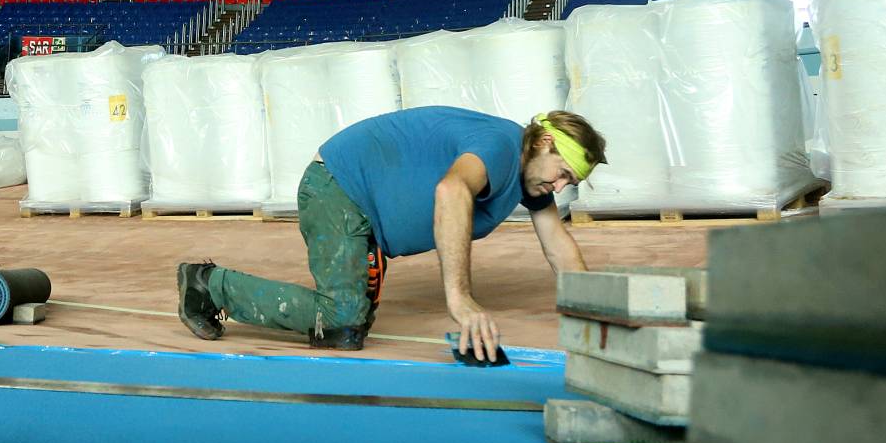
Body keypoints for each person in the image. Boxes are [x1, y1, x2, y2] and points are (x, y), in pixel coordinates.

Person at [176, 106, 606, 362]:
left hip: (367, 216)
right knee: (342, 318)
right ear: (545, 142)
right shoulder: (500, 147)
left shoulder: (531, 178)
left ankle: (364, 259)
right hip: (337, 188)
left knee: (345, 334)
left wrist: (598, 313)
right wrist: (460, 300)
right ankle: (207, 284)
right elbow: (451, 191)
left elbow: (559, 246)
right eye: (564, 174)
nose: (561, 188)